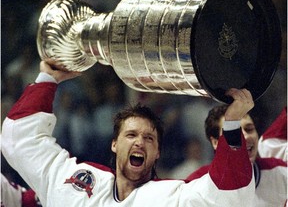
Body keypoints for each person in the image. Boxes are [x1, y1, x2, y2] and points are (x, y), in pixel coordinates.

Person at [1, 60, 256, 206]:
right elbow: (19, 140)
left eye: (149, 138)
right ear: (114, 144)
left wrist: (232, 124)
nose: (140, 142)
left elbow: (229, 197)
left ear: (157, 153)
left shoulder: (171, 198)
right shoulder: (77, 181)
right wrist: (47, 79)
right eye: (131, 135)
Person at [187, 105, 287, 206]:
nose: (246, 137)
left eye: (249, 129)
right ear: (215, 142)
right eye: (234, 132)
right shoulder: (197, 184)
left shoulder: (280, 172)